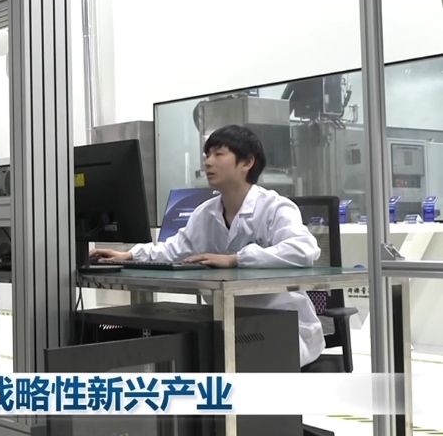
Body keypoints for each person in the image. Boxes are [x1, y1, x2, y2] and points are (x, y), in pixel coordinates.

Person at [90, 124, 325, 367]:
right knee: (191, 356)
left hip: (283, 326)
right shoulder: (205, 213)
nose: (208, 162)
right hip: (227, 323)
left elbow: (302, 250)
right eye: (207, 155)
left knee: (225, 364)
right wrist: (129, 255)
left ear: (247, 162)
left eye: (218, 154)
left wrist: (236, 259)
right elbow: (173, 250)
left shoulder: (275, 207)